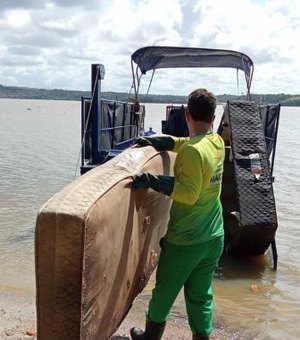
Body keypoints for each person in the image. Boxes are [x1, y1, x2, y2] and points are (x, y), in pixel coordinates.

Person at [130, 88, 225, 340]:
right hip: (214, 235)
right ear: (213, 119)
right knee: (200, 294)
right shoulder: (216, 142)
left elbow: (188, 194)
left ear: (187, 115)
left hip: (186, 240)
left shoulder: (192, 152)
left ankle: (149, 337)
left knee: (164, 291)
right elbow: (192, 143)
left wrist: (154, 181)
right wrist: (169, 142)